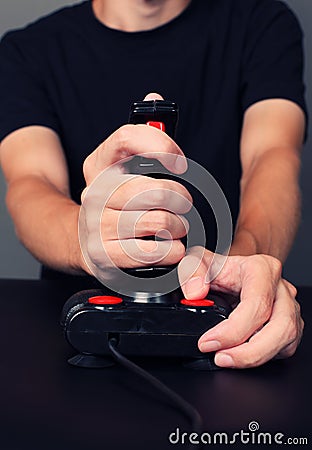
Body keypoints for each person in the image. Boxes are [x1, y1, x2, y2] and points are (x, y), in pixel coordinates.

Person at [0, 0, 306, 368]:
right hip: (78, 346)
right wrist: (85, 237)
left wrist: (236, 268)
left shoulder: (263, 22)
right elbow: (32, 184)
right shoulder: (27, 51)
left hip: (220, 325)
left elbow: (271, 157)